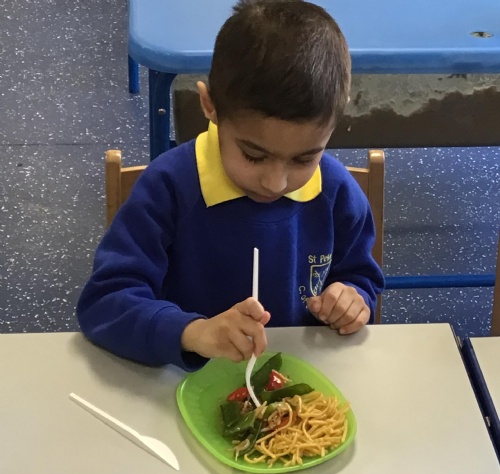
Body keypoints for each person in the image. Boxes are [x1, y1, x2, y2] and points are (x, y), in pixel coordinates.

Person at [77, 0, 384, 370]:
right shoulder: (168, 188)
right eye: (254, 155)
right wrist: (192, 332)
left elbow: (360, 279)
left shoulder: (337, 195)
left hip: (297, 381)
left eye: (304, 159)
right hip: (178, 382)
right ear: (210, 106)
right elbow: (105, 302)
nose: (276, 182)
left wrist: (351, 298)